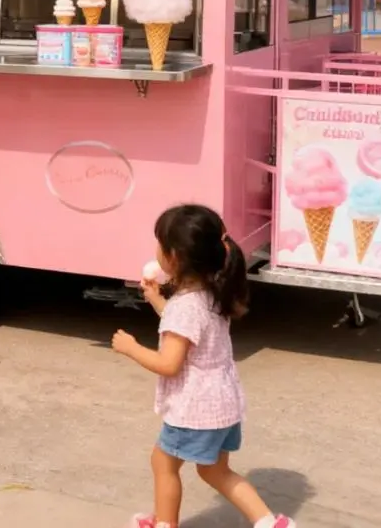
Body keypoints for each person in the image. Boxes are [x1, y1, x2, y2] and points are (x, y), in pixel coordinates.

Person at [111, 205, 296, 528]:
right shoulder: (213, 293)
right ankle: (270, 523)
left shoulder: (186, 306)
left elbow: (169, 363)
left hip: (194, 409)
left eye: (159, 243)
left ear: (175, 257)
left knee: (163, 463)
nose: (155, 250)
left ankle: (164, 524)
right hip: (223, 404)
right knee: (215, 470)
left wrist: (132, 348)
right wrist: (158, 302)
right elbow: (188, 331)